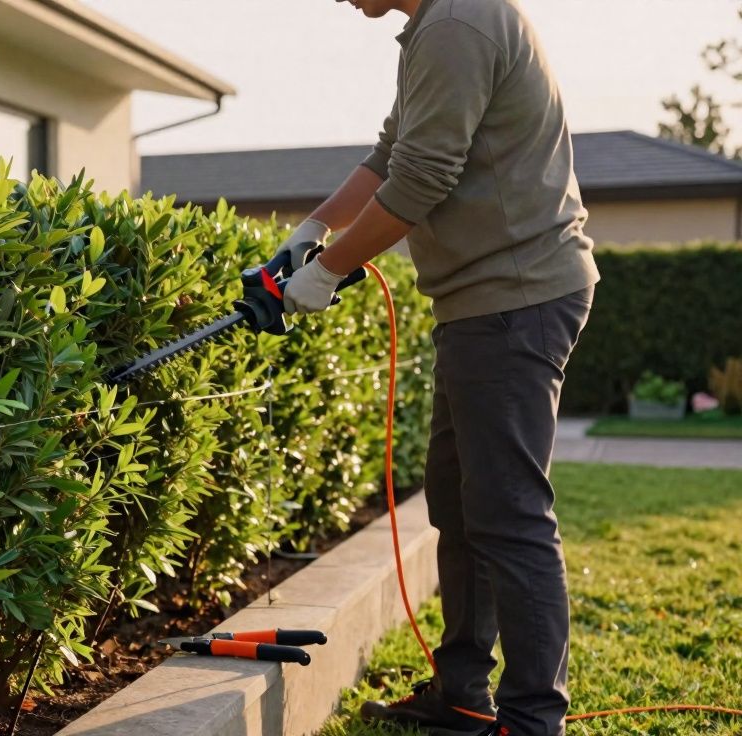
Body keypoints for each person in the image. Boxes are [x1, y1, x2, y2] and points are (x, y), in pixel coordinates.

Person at [276, 0, 599, 734]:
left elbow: (421, 180)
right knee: (459, 502)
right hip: (483, 302)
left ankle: (531, 720)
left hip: (512, 300)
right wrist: (315, 229)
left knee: (509, 513)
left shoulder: (458, 22)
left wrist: (326, 271)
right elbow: (394, 152)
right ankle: (462, 691)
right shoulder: (438, 25)